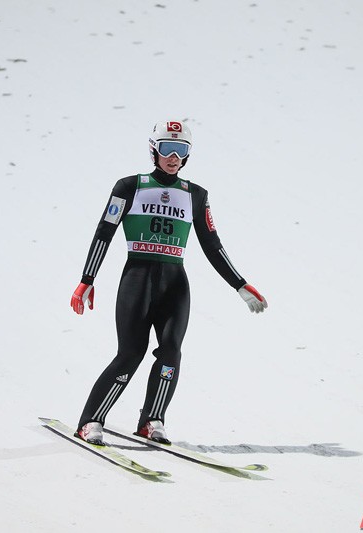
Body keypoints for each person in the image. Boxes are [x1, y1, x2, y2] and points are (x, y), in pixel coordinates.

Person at [70, 120, 267, 446]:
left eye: (181, 150)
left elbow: (212, 244)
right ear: (154, 151)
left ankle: (152, 419)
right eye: (167, 149)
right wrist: (86, 280)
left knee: (171, 352)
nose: (174, 157)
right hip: (137, 279)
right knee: (130, 353)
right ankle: (91, 420)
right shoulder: (129, 187)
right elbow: (104, 232)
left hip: (175, 284)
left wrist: (240, 284)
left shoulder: (195, 195)